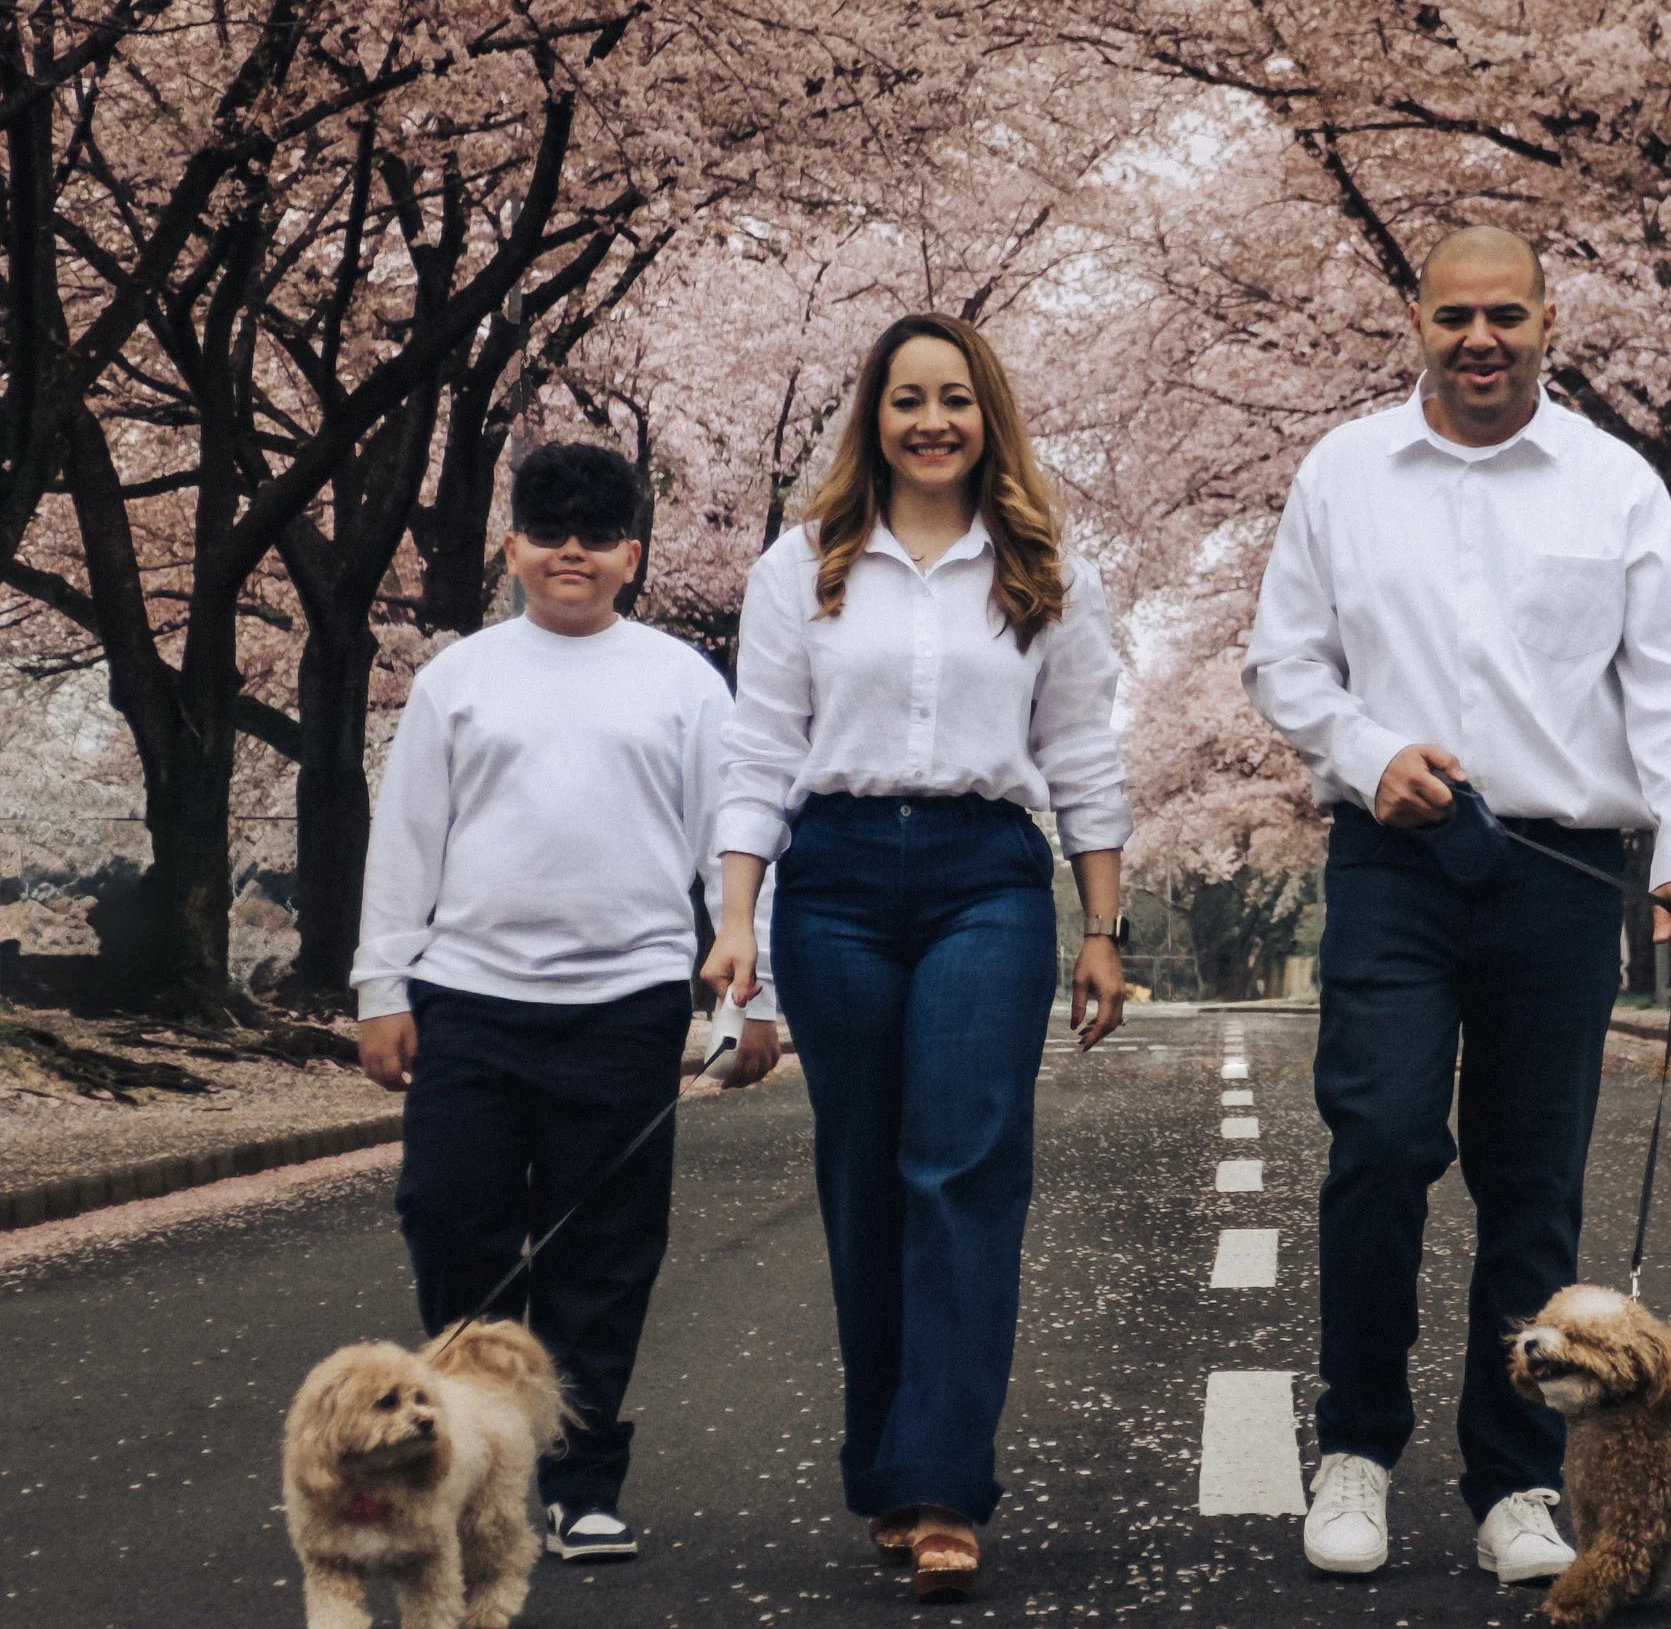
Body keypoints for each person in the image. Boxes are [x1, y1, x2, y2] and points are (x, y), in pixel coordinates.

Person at [1243, 226, 1671, 1585]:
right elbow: (1283, 657)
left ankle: (1515, 1475)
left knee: (1532, 1180)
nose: (1481, 338)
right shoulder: (1344, 470)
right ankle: (1355, 1446)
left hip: (1563, 871)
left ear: (1549, 320)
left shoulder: (1613, 482)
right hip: (1397, 855)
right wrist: (1362, 748)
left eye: (1506, 314)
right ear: (1416, 318)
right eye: (1455, 314)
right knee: (1382, 1140)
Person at [699, 313, 1130, 1604]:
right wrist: (736, 919)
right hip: (831, 880)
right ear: (872, 420)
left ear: (987, 414)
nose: (930, 419)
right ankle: (885, 1463)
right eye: (906, 400)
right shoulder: (804, 565)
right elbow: (761, 750)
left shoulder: (1045, 567)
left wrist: (1103, 926)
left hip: (986, 878)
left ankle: (942, 1481)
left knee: (965, 1165)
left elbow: (1083, 756)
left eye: (954, 397)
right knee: (865, 1170)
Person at [354, 440, 751, 1564]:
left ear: (631, 553)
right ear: (512, 545)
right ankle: (472, 1462)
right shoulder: (458, 679)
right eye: (548, 531)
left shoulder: (681, 682)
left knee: (606, 1250)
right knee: (450, 1218)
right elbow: (408, 841)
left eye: (596, 535)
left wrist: (744, 974)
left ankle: (583, 1482)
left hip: (625, 1003)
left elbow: (725, 842)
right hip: (468, 999)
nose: (570, 553)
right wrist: (384, 985)